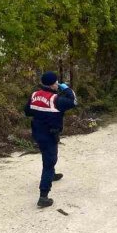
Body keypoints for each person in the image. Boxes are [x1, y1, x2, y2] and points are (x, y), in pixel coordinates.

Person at [24, 71, 77, 208]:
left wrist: (41, 112)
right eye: (56, 82)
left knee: (47, 155)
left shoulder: (34, 95)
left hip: (37, 133)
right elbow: (73, 102)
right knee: (49, 161)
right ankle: (43, 196)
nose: (57, 84)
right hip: (50, 134)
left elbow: (27, 111)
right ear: (54, 84)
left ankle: (52, 175)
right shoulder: (56, 100)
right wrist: (67, 89)